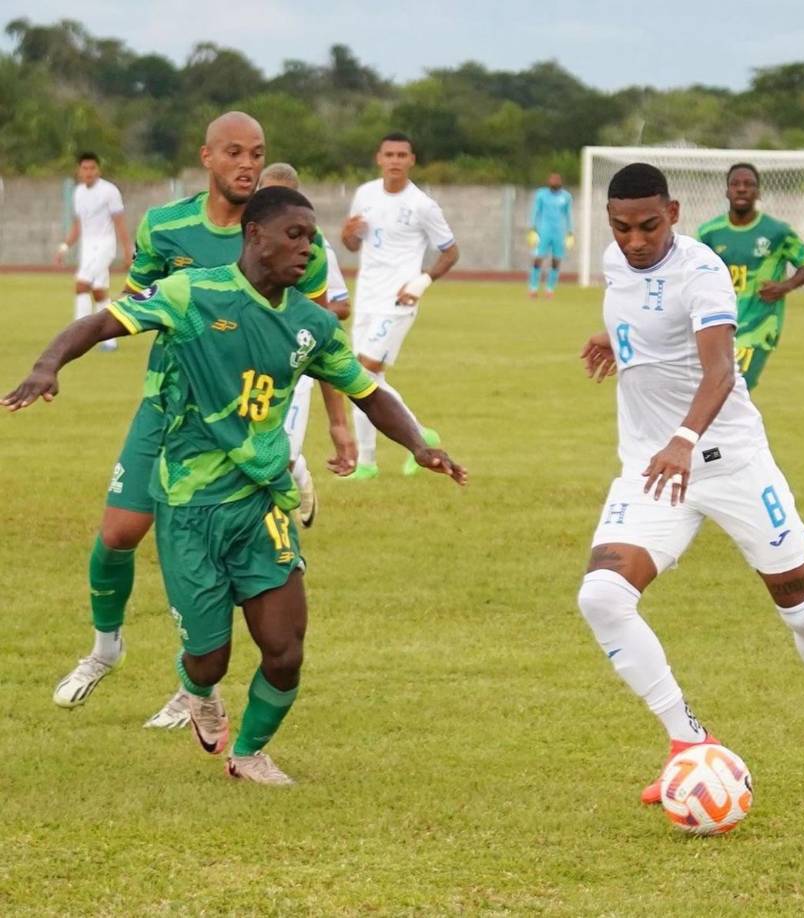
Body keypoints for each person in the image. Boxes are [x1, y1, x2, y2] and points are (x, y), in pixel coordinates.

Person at [3, 186, 467, 784]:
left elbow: (367, 392)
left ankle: (247, 754)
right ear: (254, 236)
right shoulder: (193, 293)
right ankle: (198, 688)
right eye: (294, 235)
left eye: (312, 236)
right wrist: (47, 366)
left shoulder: (311, 323)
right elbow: (101, 322)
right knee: (209, 657)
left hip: (261, 501)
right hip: (190, 507)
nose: (308, 248)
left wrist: (421, 445)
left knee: (285, 648)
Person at [577, 163, 804, 807]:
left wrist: (684, 441)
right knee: (602, 597)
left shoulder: (702, 269)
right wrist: (618, 340)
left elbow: (719, 369)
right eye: (621, 227)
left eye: (649, 225)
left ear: (676, 213)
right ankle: (687, 741)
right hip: (651, 469)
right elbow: (650, 322)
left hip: (730, 461)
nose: (634, 240)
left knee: (802, 606)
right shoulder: (613, 261)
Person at [47, 112, 353, 731]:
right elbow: (132, 306)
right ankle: (105, 648)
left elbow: (318, 341)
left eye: (258, 153)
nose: (248, 163)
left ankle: (192, 692)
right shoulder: (166, 226)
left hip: (241, 424)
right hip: (166, 408)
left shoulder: (290, 236)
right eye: (235, 152)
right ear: (207, 158)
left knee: (213, 568)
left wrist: (339, 425)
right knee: (116, 535)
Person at [341, 131, 459, 480]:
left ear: (411, 161)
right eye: (389, 154)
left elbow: (451, 251)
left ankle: (414, 440)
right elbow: (351, 244)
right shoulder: (364, 194)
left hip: (398, 300)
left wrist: (421, 283)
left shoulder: (422, 204)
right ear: (379, 158)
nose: (394, 160)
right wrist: (347, 233)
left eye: (401, 155)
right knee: (357, 379)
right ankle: (367, 463)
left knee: (362, 374)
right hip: (366, 298)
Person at [259, 162, 354, 528]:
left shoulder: (314, 248)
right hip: (246, 362)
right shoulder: (243, 237)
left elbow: (336, 310)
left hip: (295, 366)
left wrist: (338, 423)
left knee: (277, 456)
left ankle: (294, 472)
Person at [697, 163, 804, 389]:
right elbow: (691, 273)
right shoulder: (709, 233)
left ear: (758, 192)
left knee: (733, 386)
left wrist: (785, 286)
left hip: (759, 326)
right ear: (726, 191)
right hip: (719, 323)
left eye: (749, 184)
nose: (741, 189)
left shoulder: (776, 232)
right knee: (717, 390)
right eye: (735, 184)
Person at [53, 152, 134, 350]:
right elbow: (77, 225)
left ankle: (76, 337)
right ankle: (109, 340)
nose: (88, 172)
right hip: (87, 248)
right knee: (99, 292)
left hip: (105, 245)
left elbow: (119, 222)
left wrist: (128, 250)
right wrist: (64, 247)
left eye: (92, 168)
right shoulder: (78, 193)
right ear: (79, 171)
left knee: (81, 285)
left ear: (98, 170)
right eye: (84, 168)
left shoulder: (109, 191)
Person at [527, 172, 574, 299]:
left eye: (556, 179)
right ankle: (533, 288)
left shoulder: (566, 197)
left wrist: (570, 231)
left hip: (559, 232)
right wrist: (532, 228)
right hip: (543, 231)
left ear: (560, 181)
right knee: (538, 258)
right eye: (552, 179)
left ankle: (550, 289)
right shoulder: (541, 195)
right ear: (548, 181)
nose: (554, 181)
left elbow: (569, 214)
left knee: (556, 261)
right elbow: (535, 211)